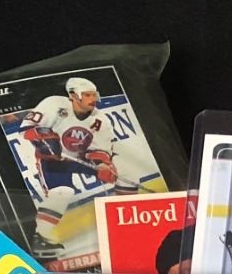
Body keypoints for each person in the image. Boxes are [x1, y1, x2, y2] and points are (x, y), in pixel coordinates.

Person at [17, 76, 155, 260]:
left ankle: (127, 221)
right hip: (53, 160)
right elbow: (26, 129)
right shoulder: (54, 104)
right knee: (62, 192)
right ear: (73, 95)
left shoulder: (100, 120)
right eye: (87, 95)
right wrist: (43, 139)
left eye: (94, 94)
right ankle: (41, 238)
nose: (93, 99)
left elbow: (100, 150)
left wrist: (103, 165)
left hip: (81, 157)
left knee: (127, 173)